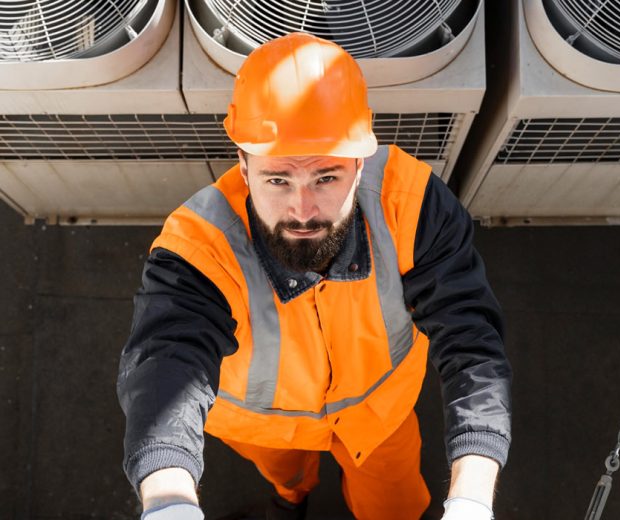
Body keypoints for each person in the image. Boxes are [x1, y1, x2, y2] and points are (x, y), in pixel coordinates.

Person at [117, 32, 512, 520]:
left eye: (326, 177)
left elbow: (472, 344)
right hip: (265, 427)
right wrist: (166, 499)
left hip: (379, 418)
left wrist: (472, 497)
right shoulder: (198, 249)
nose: (302, 211)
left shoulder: (411, 204)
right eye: (277, 180)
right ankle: (291, 498)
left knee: (397, 507)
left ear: (359, 162)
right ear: (243, 166)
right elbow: (165, 362)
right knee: (286, 475)